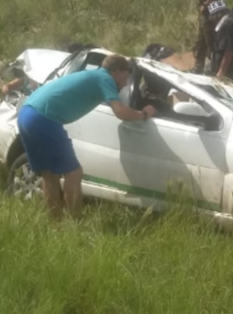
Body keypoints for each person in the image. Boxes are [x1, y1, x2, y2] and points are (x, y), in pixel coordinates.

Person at [17, 54, 157, 221]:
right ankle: (75, 222)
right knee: (74, 173)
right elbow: (120, 112)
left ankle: (55, 224)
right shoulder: (105, 78)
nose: (126, 82)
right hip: (44, 119)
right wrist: (144, 114)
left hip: (26, 113)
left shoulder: (92, 75)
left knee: (49, 175)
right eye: (126, 76)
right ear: (116, 71)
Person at [189, 0, 225, 74]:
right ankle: (198, 68)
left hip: (210, 17)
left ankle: (215, 70)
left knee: (212, 45)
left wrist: (205, 4)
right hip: (206, 18)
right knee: (201, 44)